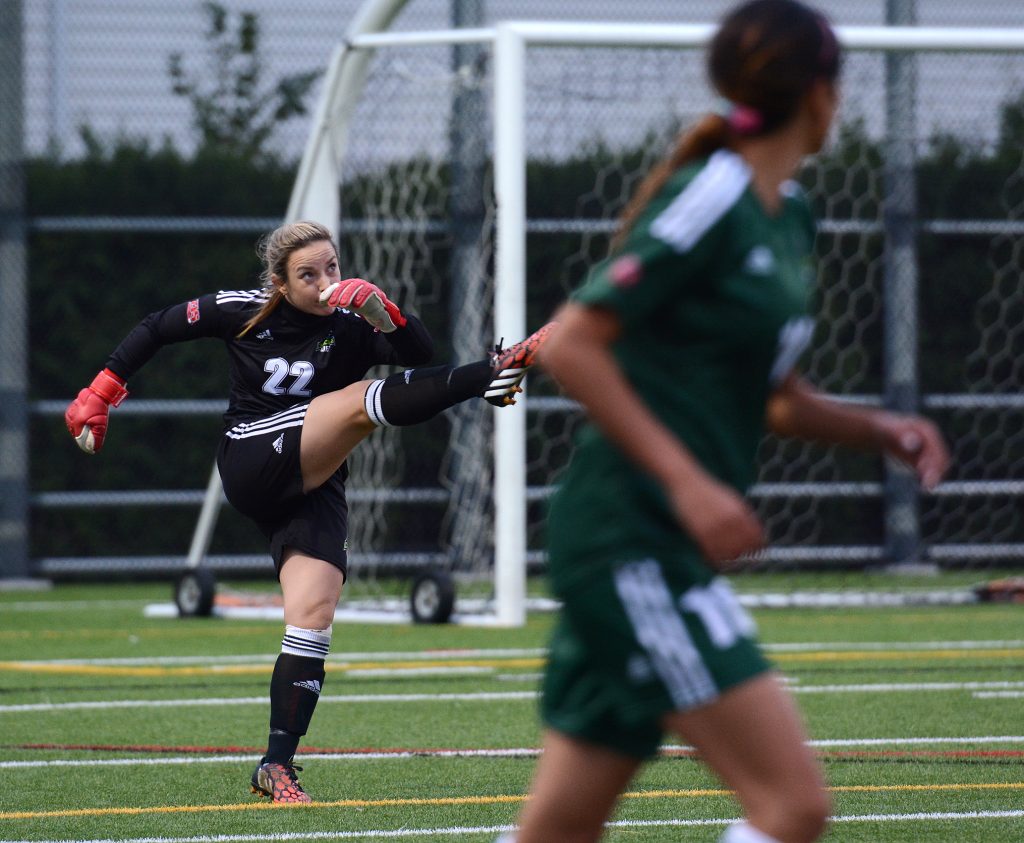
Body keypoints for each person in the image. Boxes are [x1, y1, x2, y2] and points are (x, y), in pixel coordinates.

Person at [502, 3, 950, 842]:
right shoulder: (713, 195)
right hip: (632, 535)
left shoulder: (789, 213)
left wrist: (880, 429)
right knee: (792, 804)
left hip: (649, 539)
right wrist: (690, 485)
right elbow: (577, 344)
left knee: (557, 828)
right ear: (820, 93)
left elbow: (774, 395)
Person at [64, 219, 555, 804]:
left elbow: (418, 355)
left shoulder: (350, 321)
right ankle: (495, 373)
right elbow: (158, 326)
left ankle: (276, 765)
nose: (326, 283)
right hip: (251, 457)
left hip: (312, 481)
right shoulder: (245, 308)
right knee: (353, 404)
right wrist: (101, 390)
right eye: (308, 274)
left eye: (332, 268)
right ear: (279, 282)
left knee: (313, 615)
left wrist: (384, 312)